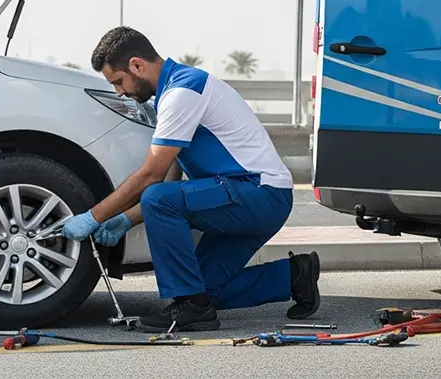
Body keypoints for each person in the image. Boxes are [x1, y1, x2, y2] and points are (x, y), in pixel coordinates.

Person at [60, 26, 321, 333]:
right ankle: (294, 275)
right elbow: (169, 184)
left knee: (156, 199)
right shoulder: (173, 93)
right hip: (243, 197)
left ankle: (190, 308)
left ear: (137, 65)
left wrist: (92, 217)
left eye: (118, 81)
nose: (119, 91)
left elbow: (150, 176)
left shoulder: (183, 92)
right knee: (205, 290)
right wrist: (125, 221)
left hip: (259, 194)